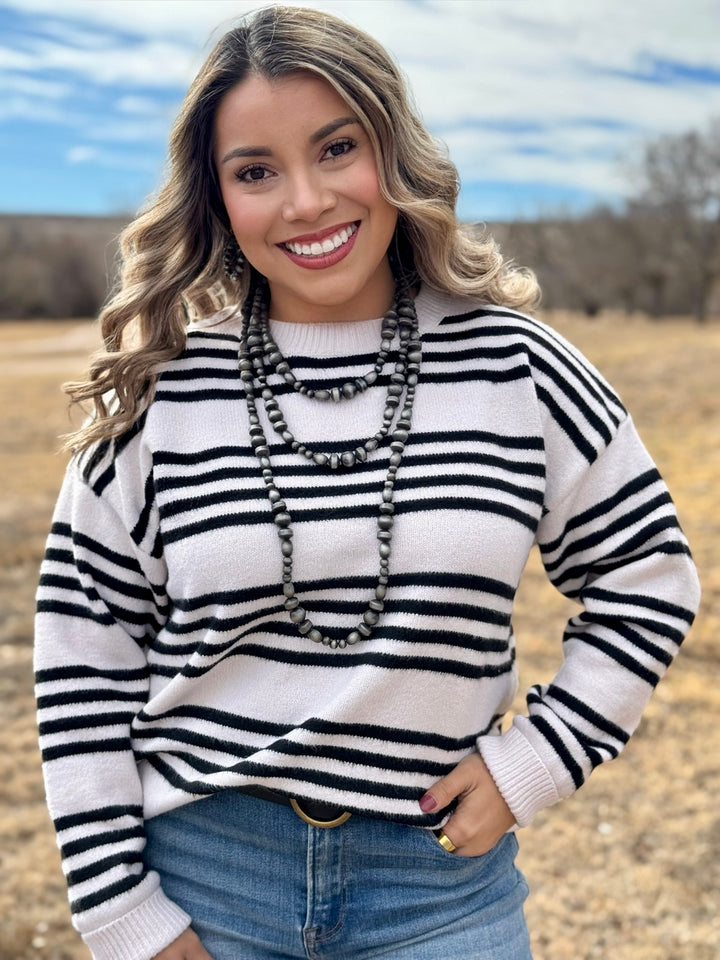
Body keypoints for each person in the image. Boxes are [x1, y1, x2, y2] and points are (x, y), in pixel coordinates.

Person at [34, 6, 700, 960]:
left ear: (393, 151)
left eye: (337, 149)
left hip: (438, 894)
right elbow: (82, 658)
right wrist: (117, 910)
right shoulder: (159, 395)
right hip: (205, 884)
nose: (305, 202)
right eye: (255, 171)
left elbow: (648, 577)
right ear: (216, 198)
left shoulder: (519, 369)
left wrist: (536, 762)